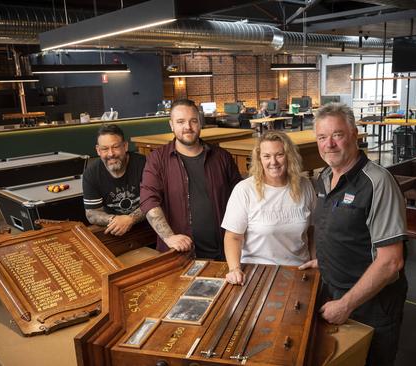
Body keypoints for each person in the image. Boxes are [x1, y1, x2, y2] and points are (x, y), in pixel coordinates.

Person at [300, 103, 407, 366]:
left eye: (337, 135)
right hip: (333, 291)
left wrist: (346, 304)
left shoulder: (378, 182)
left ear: (354, 134)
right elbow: (338, 231)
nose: (329, 144)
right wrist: (324, 260)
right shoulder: (325, 177)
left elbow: (391, 262)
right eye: (322, 137)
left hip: (371, 303)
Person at [140, 99, 242, 260]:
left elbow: (241, 198)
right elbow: (149, 201)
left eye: (193, 121)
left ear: (200, 123)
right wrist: (169, 237)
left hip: (224, 253)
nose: (187, 127)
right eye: (180, 122)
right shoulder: (157, 159)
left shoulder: (222, 157)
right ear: (171, 125)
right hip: (178, 256)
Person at [222, 131, 315, 285]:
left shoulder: (305, 186)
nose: (273, 162)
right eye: (266, 156)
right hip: (257, 271)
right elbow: (233, 237)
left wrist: (314, 262)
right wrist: (234, 269)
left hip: (299, 270)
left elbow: (312, 231)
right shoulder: (244, 190)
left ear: (289, 156)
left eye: (279, 155)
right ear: (259, 159)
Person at [82, 124, 146, 236]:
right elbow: (92, 213)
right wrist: (116, 219)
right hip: (114, 231)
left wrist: (130, 219)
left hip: (147, 228)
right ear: (98, 150)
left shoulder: (144, 165)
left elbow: (156, 201)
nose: (111, 154)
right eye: (105, 149)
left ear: (125, 146)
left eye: (115, 147)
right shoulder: (91, 173)